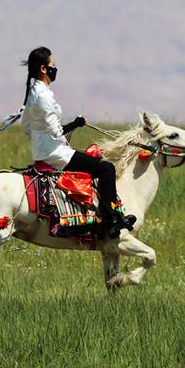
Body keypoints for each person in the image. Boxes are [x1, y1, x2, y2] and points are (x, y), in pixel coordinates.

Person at [17, 46, 135, 239]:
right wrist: (76, 123)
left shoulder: (32, 93)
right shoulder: (44, 96)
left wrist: (40, 144)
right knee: (106, 168)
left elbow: (26, 127)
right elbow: (55, 132)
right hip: (56, 154)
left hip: (44, 151)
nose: (56, 69)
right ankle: (112, 218)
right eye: (53, 65)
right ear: (44, 69)